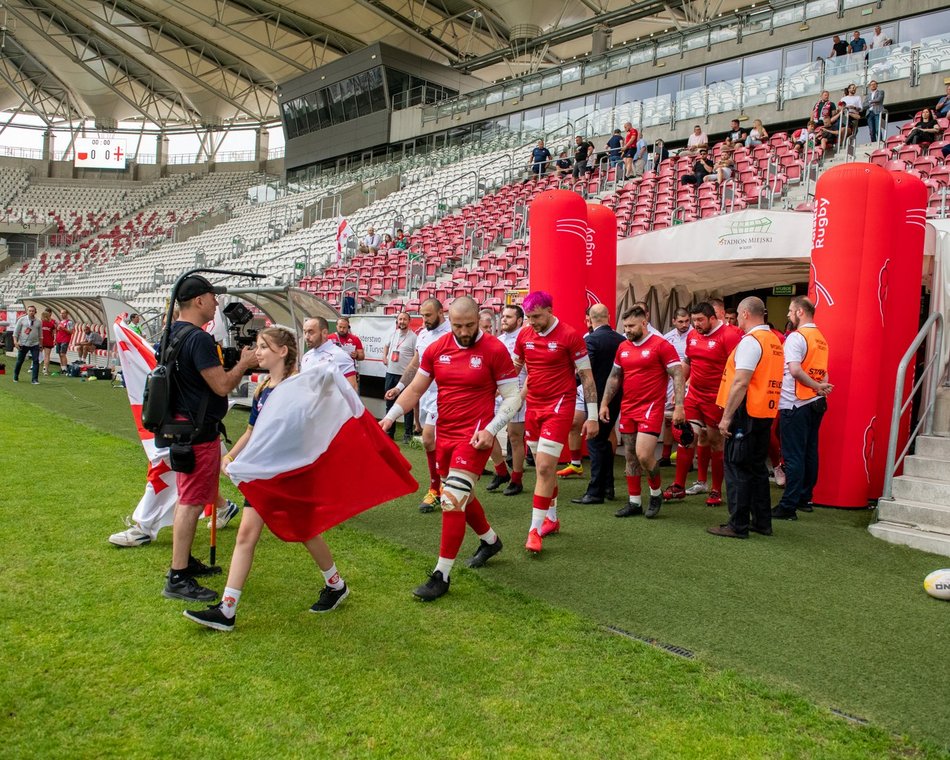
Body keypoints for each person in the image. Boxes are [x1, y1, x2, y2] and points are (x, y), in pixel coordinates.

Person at [184, 327, 350, 630]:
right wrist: (232, 455)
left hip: (287, 473)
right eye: (257, 346)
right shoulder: (262, 386)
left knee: (305, 530)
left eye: (263, 346)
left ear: (283, 352)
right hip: (263, 472)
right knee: (247, 534)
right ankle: (228, 609)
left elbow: (305, 429)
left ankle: (336, 585)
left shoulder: (299, 387)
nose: (256, 352)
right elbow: (252, 431)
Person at [382, 297, 519, 601]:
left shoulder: (495, 350)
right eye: (458, 325)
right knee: (457, 495)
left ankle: (441, 575)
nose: (465, 331)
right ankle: (490, 540)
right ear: (449, 320)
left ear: (479, 320)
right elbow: (416, 388)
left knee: (452, 498)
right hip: (445, 433)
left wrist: (491, 430)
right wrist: (390, 418)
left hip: (475, 436)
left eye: (470, 325)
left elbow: (512, 398)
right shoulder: (437, 348)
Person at [161, 275, 257, 603]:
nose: (216, 303)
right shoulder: (199, 340)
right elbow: (220, 386)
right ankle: (177, 575)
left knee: (190, 498)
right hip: (197, 433)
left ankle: (184, 564)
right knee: (190, 502)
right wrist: (243, 364)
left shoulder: (173, 332)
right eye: (212, 297)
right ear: (199, 301)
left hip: (182, 427)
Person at [514, 291, 598, 554]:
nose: (532, 322)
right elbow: (513, 369)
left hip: (560, 407)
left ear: (549, 310)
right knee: (543, 467)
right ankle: (551, 518)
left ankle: (534, 530)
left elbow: (587, 376)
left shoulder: (570, 335)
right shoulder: (524, 335)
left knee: (544, 468)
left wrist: (593, 416)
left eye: (536, 316)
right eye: (528, 317)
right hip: (533, 407)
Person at [708, 297, 784, 539]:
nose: (737, 320)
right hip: (764, 411)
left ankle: (737, 524)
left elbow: (741, 382)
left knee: (737, 467)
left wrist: (726, 418)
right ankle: (762, 521)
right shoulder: (773, 340)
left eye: (738, 315)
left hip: (746, 412)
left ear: (745, 314)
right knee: (756, 469)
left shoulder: (751, 342)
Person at [600, 307, 685, 519]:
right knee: (630, 456)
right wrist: (604, 403)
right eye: (625, 326)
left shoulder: (661, 345)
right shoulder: (623, 347)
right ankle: (634, 502)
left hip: (650, 407)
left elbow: (678, 375)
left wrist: (680, 406)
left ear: (644, 323)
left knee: (644, 455)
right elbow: (614, 377)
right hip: (628, 407)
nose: (627, 330)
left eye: (631, 326)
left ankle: (656, 494)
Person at [664, 302, 742, 507]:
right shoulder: (692, 336)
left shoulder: (729, 335)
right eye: (694, 320)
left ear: (712, 318)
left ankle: (716, 489)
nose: (696, 324)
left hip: (717, 397)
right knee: (685, 435)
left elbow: (739, 369)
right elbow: (687, 364)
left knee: (716, 441)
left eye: (700, 320)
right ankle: (678, 485)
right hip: (695, 395)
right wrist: (679, 390)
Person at [385, 298, 450, 511]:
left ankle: (439, 488)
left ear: (441, 313)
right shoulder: (423, 334)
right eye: (422, 315)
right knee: (429, 442)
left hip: (448, 395)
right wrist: (400, 387)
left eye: (428, 315)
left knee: (433, 439)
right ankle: (438, 488)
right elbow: (416, 364)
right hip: (426, 394)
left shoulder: (453, 332)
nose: (424, 319)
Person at [772, 297, 833, 521]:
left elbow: (795, 370)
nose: (788, 315)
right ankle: (804, 498)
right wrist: (820, 387)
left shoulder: (797, 337)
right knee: (808, 451)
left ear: (799, 312)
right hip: (814, 401)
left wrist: (817, 386)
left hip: (796, 402)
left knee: (794, 455)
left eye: (790, 311)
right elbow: (823, 371)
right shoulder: (820, 338)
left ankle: (788, 506)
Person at [570, 304, 626, 506]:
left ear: (590, 320)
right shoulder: (621, 340)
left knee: (595, 442)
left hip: (595, 398)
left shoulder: (591, 340)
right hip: (616, 397)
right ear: (609, 317)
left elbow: (584, 372)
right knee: (602, 441)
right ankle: (608, 486)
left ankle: (595, 491)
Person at [486, 304, 528, 497]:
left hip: (516, 394)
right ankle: (501, 471)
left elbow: (530, 373)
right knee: (487, 432)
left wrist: (521, 396)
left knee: (515, 437)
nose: (503, 319)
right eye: (503, 316)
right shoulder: (498, 341)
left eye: (508, 317)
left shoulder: (526, 340)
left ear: (519, 320)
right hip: (495, 395)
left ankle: (516, 480)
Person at [659, 308, 692, 466]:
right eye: (680, 321)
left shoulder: (695, 336)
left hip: (689, 381)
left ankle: (688, 459)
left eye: (687, 321)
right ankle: (665, 455)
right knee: (668, 420)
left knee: (687, 420)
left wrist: (688, 380)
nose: (684, 324)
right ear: (673, 321)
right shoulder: (667, 338)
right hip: (671, 383)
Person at [301, 317, 358, 389]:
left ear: (324, 333)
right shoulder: (306, 356)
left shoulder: (340, 356)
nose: (306, 337)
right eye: (305, 332)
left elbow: (352, 390)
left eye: (311, 332)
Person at [12, 305, 41, 384]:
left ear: (35, 312)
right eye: (30, 311)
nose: (31, 312)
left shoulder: (38, 321)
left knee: (36, 361)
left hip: (35, 344)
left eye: (33, 311)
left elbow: (40, 335)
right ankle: (16, 375)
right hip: (23, 343)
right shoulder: (21, 320)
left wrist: (41, 345)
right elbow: (15, 332)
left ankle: (34, 379)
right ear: (27, 311)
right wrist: (15, 342)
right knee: (20, 361)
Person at [54, 308, 74, 372]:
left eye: (63, 313)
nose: (62, 314)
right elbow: (58, 331)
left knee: (63, 354)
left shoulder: (69, 322)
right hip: (59, 339)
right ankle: (62, 368)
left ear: (67, 314)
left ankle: (65, 368)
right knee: (60, 354)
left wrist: (63, 328)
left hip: (65, 339)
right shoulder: (61, 322)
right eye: (61, 313)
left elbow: (71, 332)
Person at [40, 308, 56, 375]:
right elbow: (54, 334)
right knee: (47, 356)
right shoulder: (52, 324)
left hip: (40, 341)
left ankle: (33, 367)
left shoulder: (40, 323)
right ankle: (45, 369)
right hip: (49, 341)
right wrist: (54, 340)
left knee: (37, 354)